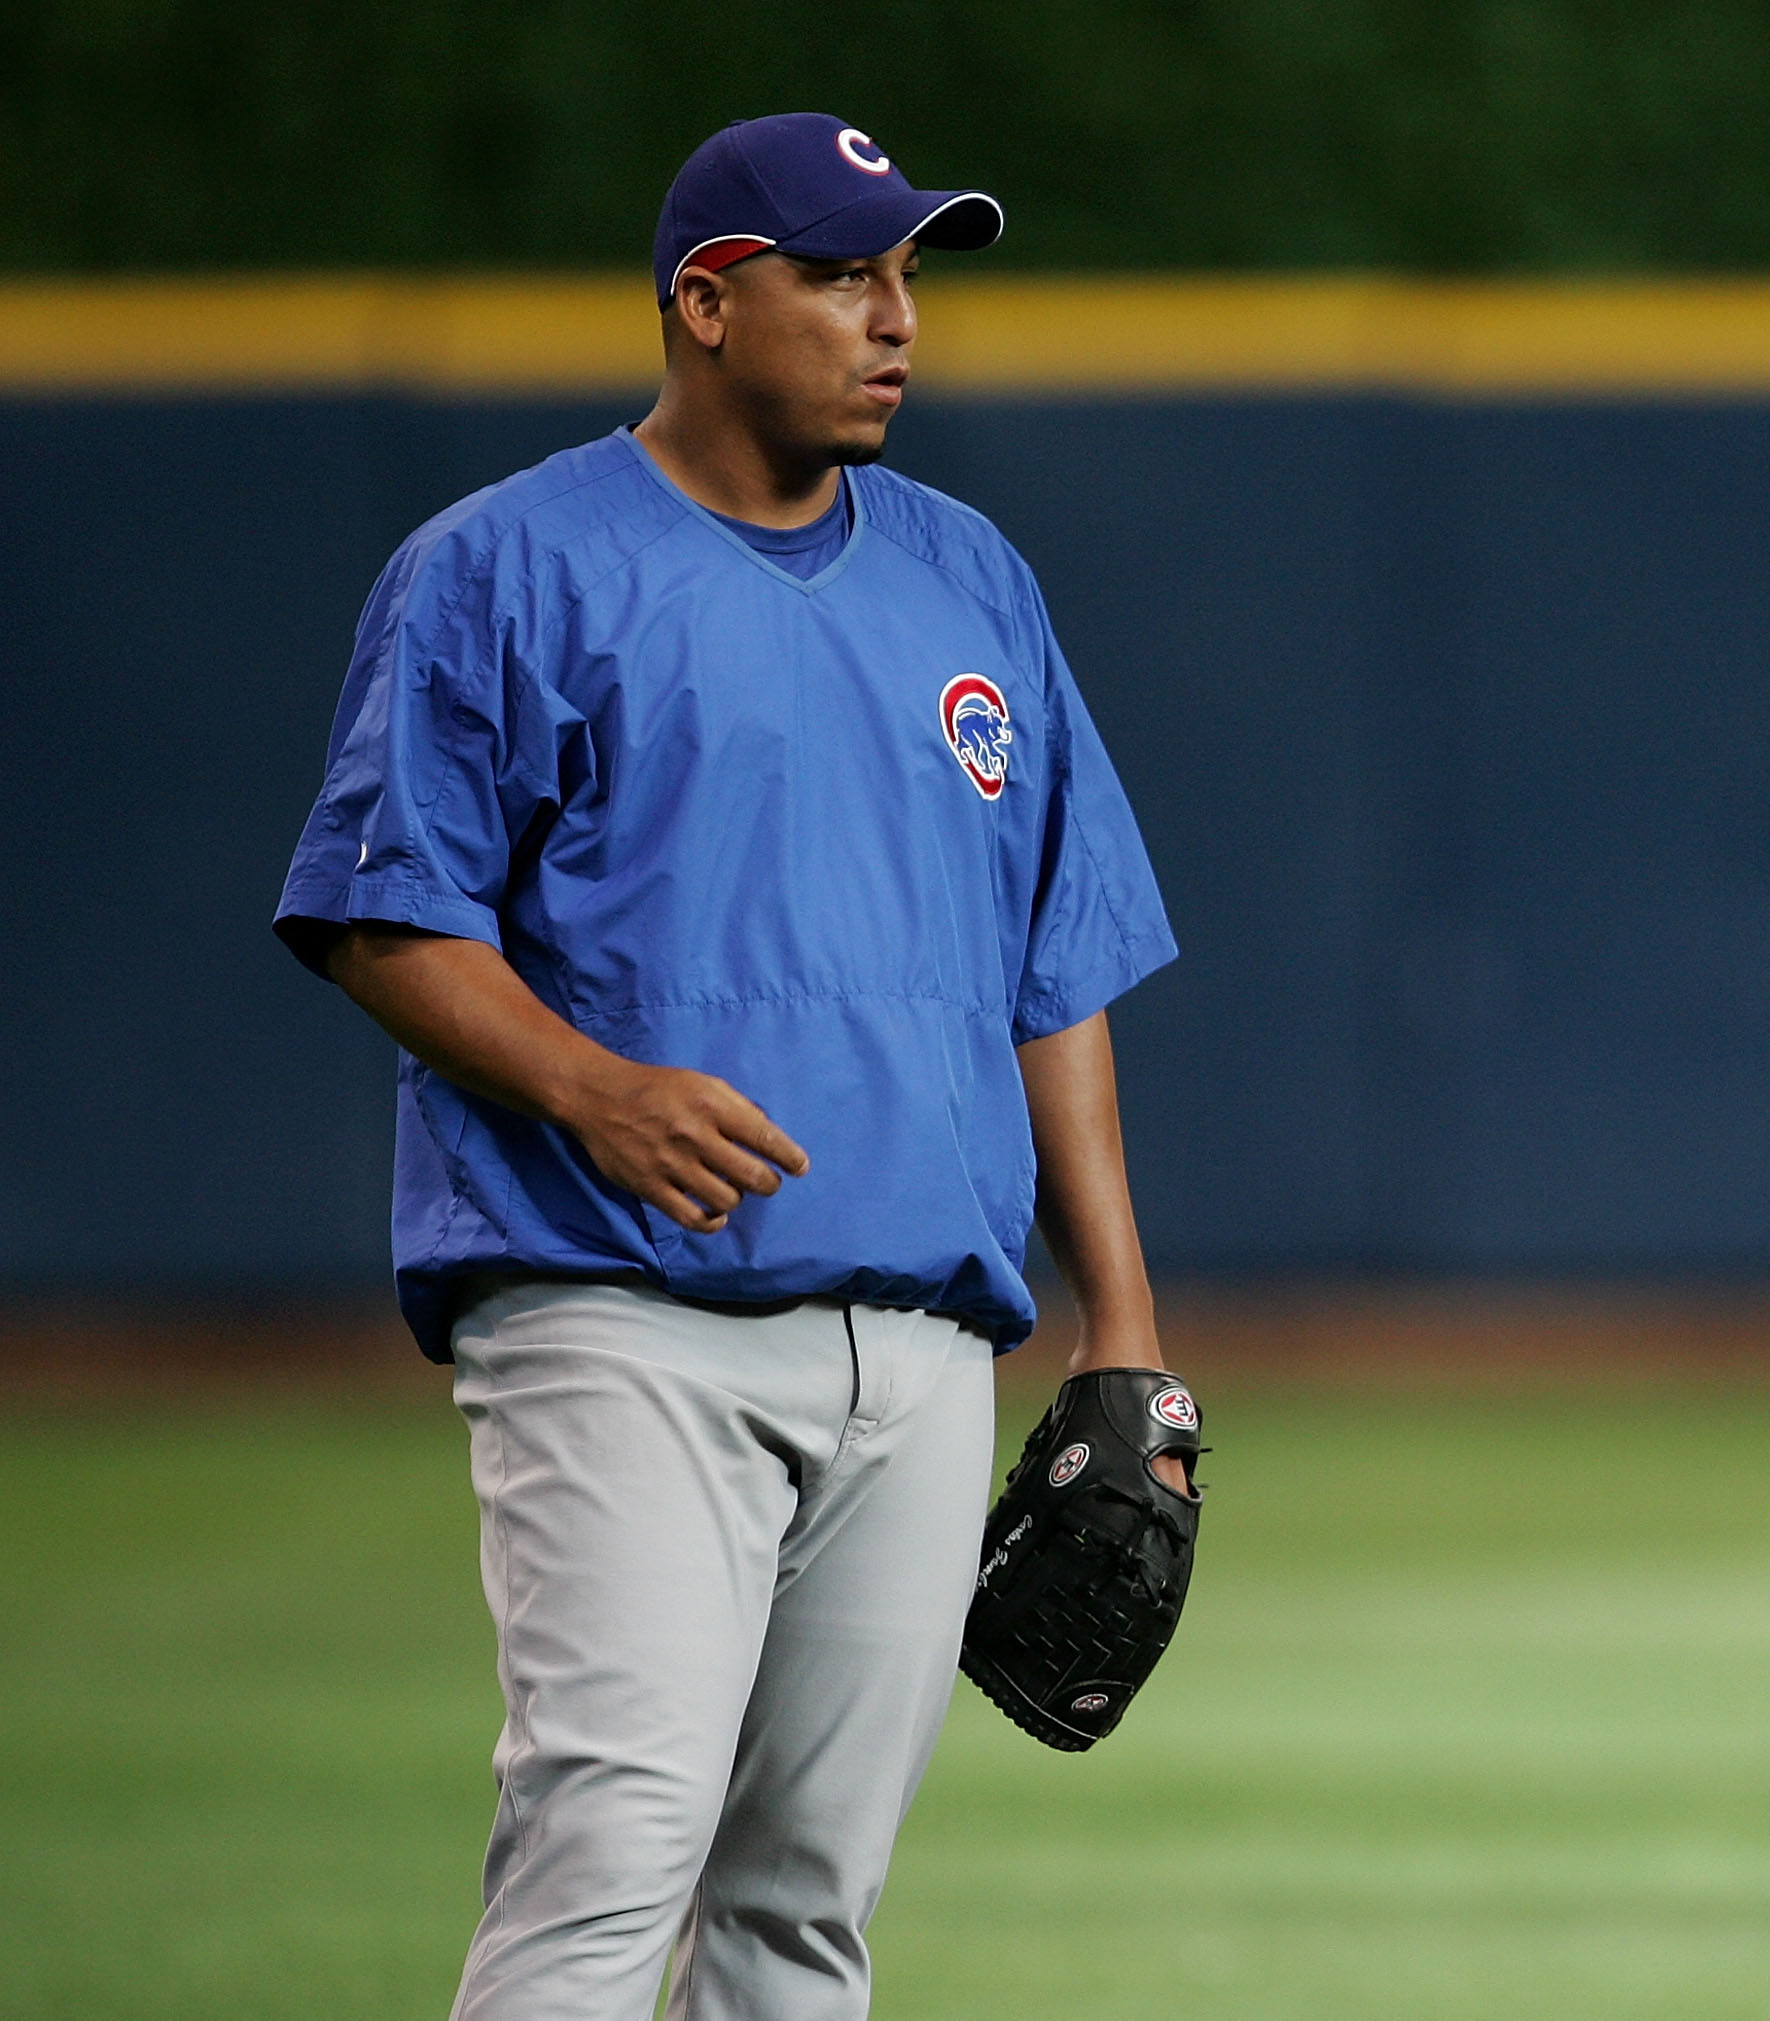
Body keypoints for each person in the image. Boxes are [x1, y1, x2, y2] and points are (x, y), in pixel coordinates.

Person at [271, 113, 1183, 2021]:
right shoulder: (505, 566)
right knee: (612, 1840)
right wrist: (593, 1086)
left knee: (804, 1909)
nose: (896, 318)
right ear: (707, 299)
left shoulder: (970, 577)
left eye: (911, 274)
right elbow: (380, 910)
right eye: (845, 273)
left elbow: (1057, 964)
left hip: (925, 1344)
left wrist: (1125, 1325)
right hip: (618, 1311)